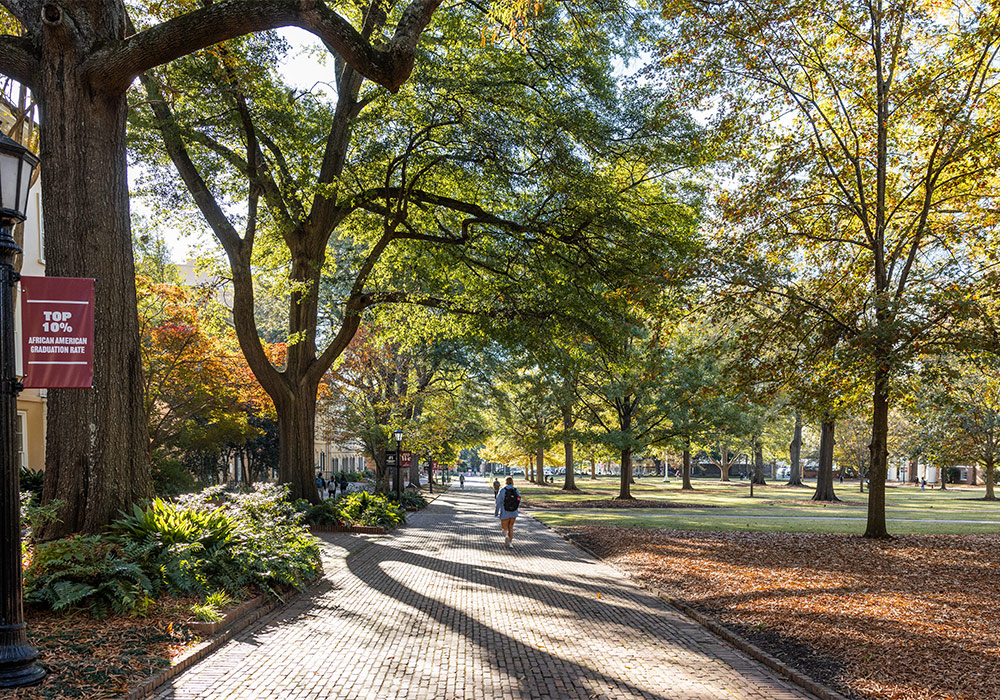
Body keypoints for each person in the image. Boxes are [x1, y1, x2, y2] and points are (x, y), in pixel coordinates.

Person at [495, 476, 521, 549]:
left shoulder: (502, 490)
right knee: (511, 527)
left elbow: (498, 502)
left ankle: (506, 536)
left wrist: (496, 512)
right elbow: (519, 499)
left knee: (504, 527)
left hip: (505, 511)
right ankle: (510, 543)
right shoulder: (516, 490)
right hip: (513, 512)